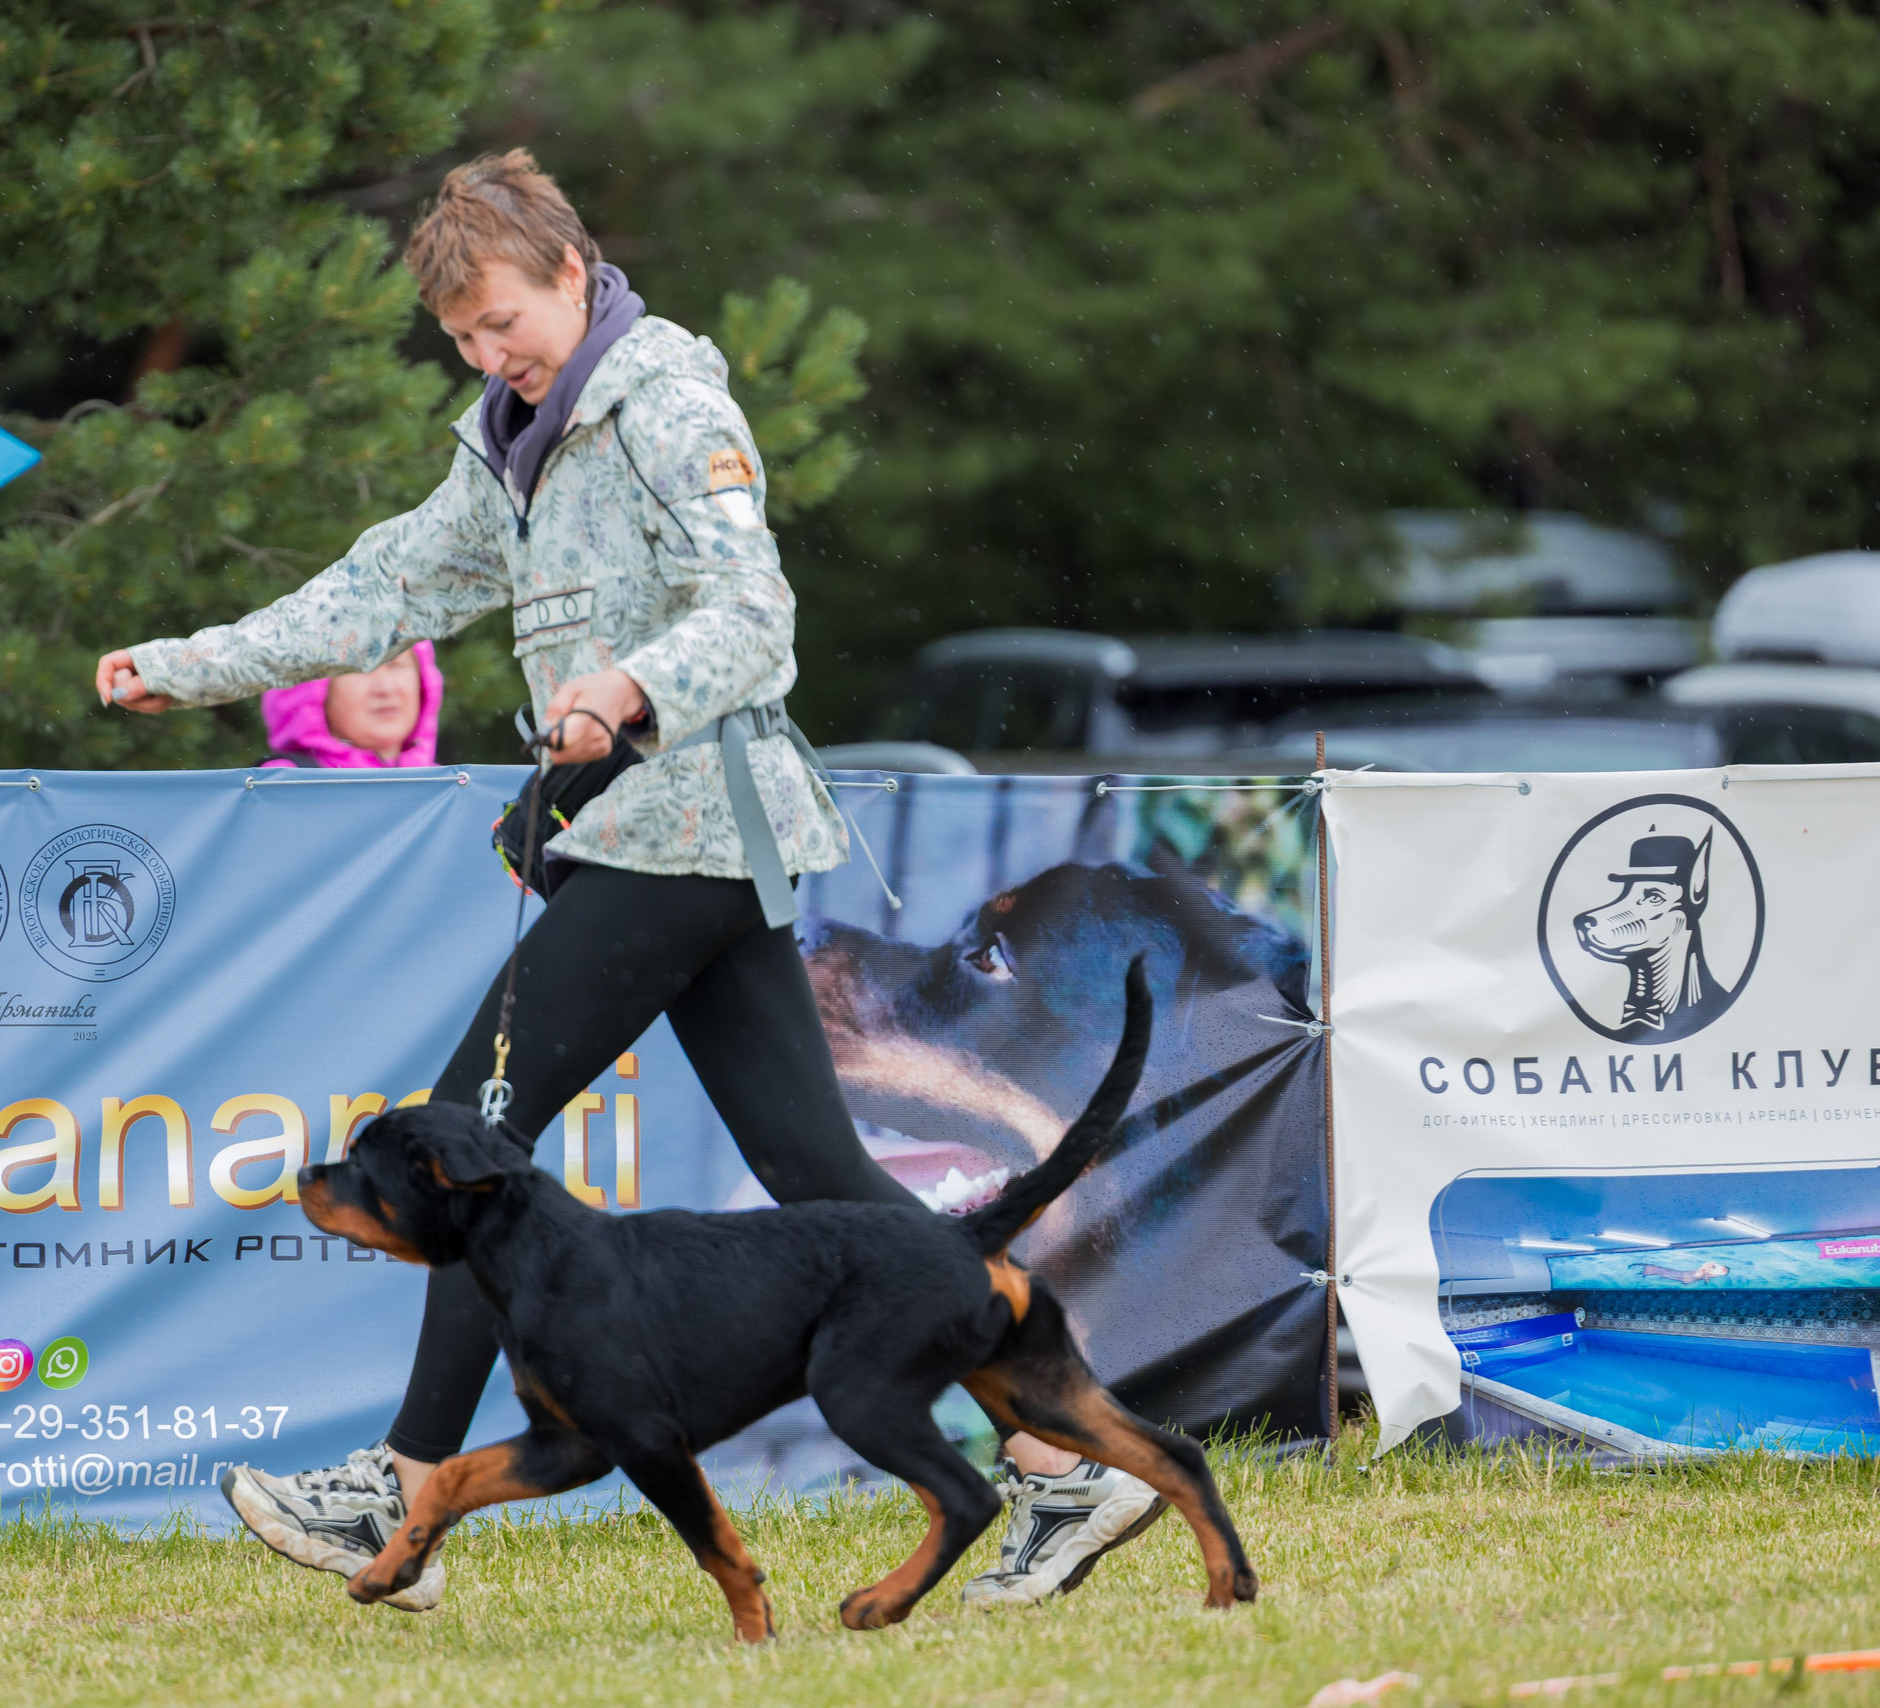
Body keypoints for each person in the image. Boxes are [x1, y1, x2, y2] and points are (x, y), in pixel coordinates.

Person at [94, 150, 1156, 1611]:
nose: (487, 356)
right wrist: (187, 665)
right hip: (644, 839)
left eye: (503, 322)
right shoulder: (507, 441)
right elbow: (379, 587)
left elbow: (758, 622)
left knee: (474, 1142)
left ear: (574, 275)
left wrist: (630, 686)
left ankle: (396, 1499)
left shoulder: (672, 407)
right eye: (463, 338)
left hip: (697, 827)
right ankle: (1062, 1468)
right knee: (821, 1178)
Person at [259, 641, 441, 768]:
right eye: (360, 668)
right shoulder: (283, 790)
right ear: (313, 687)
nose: (386, 688)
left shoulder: (450, 792)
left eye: (396, 664)